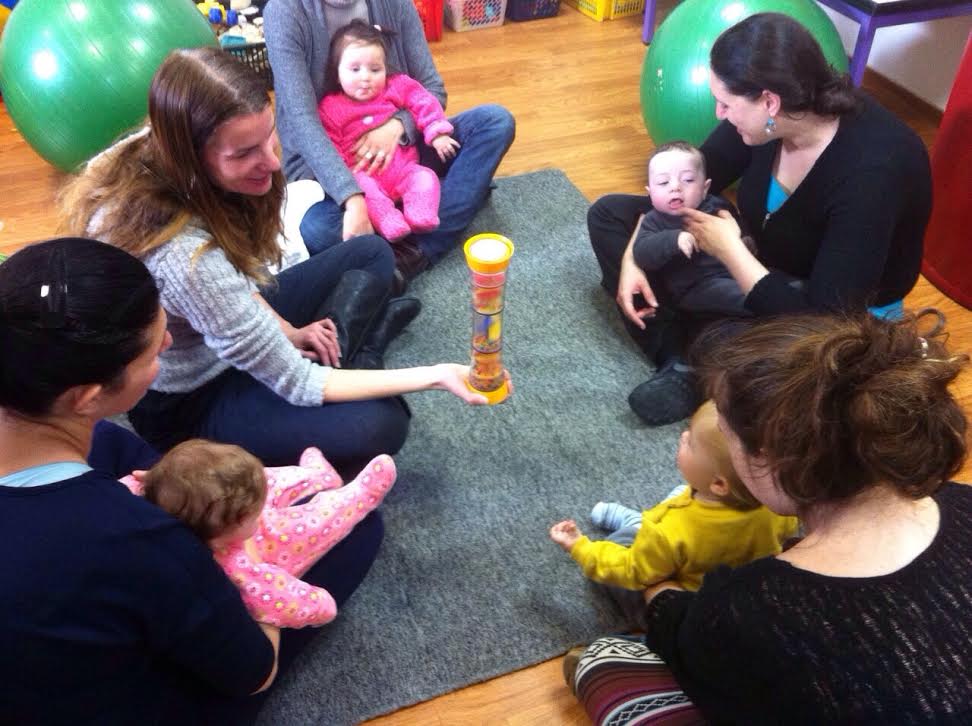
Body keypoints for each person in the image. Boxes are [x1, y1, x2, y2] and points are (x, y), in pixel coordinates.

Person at [0, 237, 384, 724]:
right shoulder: (136, 537)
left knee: (154, 465)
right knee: (360, 527)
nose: (168, 343)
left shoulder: (79, 440)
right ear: (88, 397)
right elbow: (253, 672)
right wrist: (252, 561)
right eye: (153, 352)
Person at [61, 47, 497, 474]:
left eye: (268, 136)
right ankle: (363, 351)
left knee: (372, 252)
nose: (272, 163)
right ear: (191, 157)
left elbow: (234, 280)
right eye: (243, 153)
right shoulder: (182, 257)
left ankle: (350, 350)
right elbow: (298, 380)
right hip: (195, 398)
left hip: (224, 320)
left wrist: (288, 330)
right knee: (383, 423)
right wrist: (436, 375)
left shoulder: (160, 144)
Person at [568, 310, 972, 724]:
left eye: (726, 435)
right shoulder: (962, 499)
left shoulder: (748, 606)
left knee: (603, 661)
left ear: (767, 460)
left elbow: (677, 631)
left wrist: (659, 585)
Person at [588, 13, 931, 426]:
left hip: (829, 315)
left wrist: (730, 251)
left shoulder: (873, 171)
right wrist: (634, 258)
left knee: (782, 370)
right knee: (608, 215)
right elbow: (688, 188)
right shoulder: (769, 121)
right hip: (754, 271)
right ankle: (683, 354)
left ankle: (692, 356)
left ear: (769, 101)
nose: (719, 113)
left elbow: (825, 321)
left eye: (726, 104)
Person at [263, 0, 515, 282]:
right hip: (333, 165)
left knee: (495, 123)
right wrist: (352, 198)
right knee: (316, 229)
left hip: (405, 152)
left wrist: (397, 127)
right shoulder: (285, 11)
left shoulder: (395, 4)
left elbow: (431, 89)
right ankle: (451, 202)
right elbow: (302, 121)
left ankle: (410, 252)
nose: (364, 77)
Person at [550, 400, 796, 627]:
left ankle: (635, 523)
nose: (683, 435)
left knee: (619, 551)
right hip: (732, 592)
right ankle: (641, 523)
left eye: (691, 444)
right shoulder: (780, 507)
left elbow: (632, 570)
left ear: (719, 484)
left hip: (684, 599)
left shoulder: (670, 531)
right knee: (679, 496)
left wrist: (580, 547)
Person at [122, 440, 396, 629]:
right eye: (252, 516)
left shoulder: (144, 492)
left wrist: (159, 478)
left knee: (264, 479)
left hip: (221, 510)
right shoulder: (236, 568)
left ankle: (316, 476)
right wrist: (318, 605)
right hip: (273, 544)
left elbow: (128, 485)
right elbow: (279, 599)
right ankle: (359, 496)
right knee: (314, 523)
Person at [319, 20, 459, 243]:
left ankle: (421, 215)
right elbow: (330, 147)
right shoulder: (331, 107)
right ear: (337, 74)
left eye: (375, 69)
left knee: (424, 177)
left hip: (404, 169)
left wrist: (438, 132)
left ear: (386, 68)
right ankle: (389, 222)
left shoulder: (396, 86)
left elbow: (423, 101)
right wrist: (346, 177)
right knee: (364, 194)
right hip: (364, 176)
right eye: (355, 69)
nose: (365, 77)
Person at [629, 141, 753, 318]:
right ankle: (768, 308)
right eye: (663, 182)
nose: (675, 187)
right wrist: (673, 239)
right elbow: (642, 253)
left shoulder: (716, 205)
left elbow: (737, 222)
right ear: (650, 192)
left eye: (687, 180)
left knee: (771, 278)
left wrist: (746, 239)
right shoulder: (654, 221)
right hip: (696, 286)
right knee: (737, 295)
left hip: (737, 270)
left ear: (705, 188)